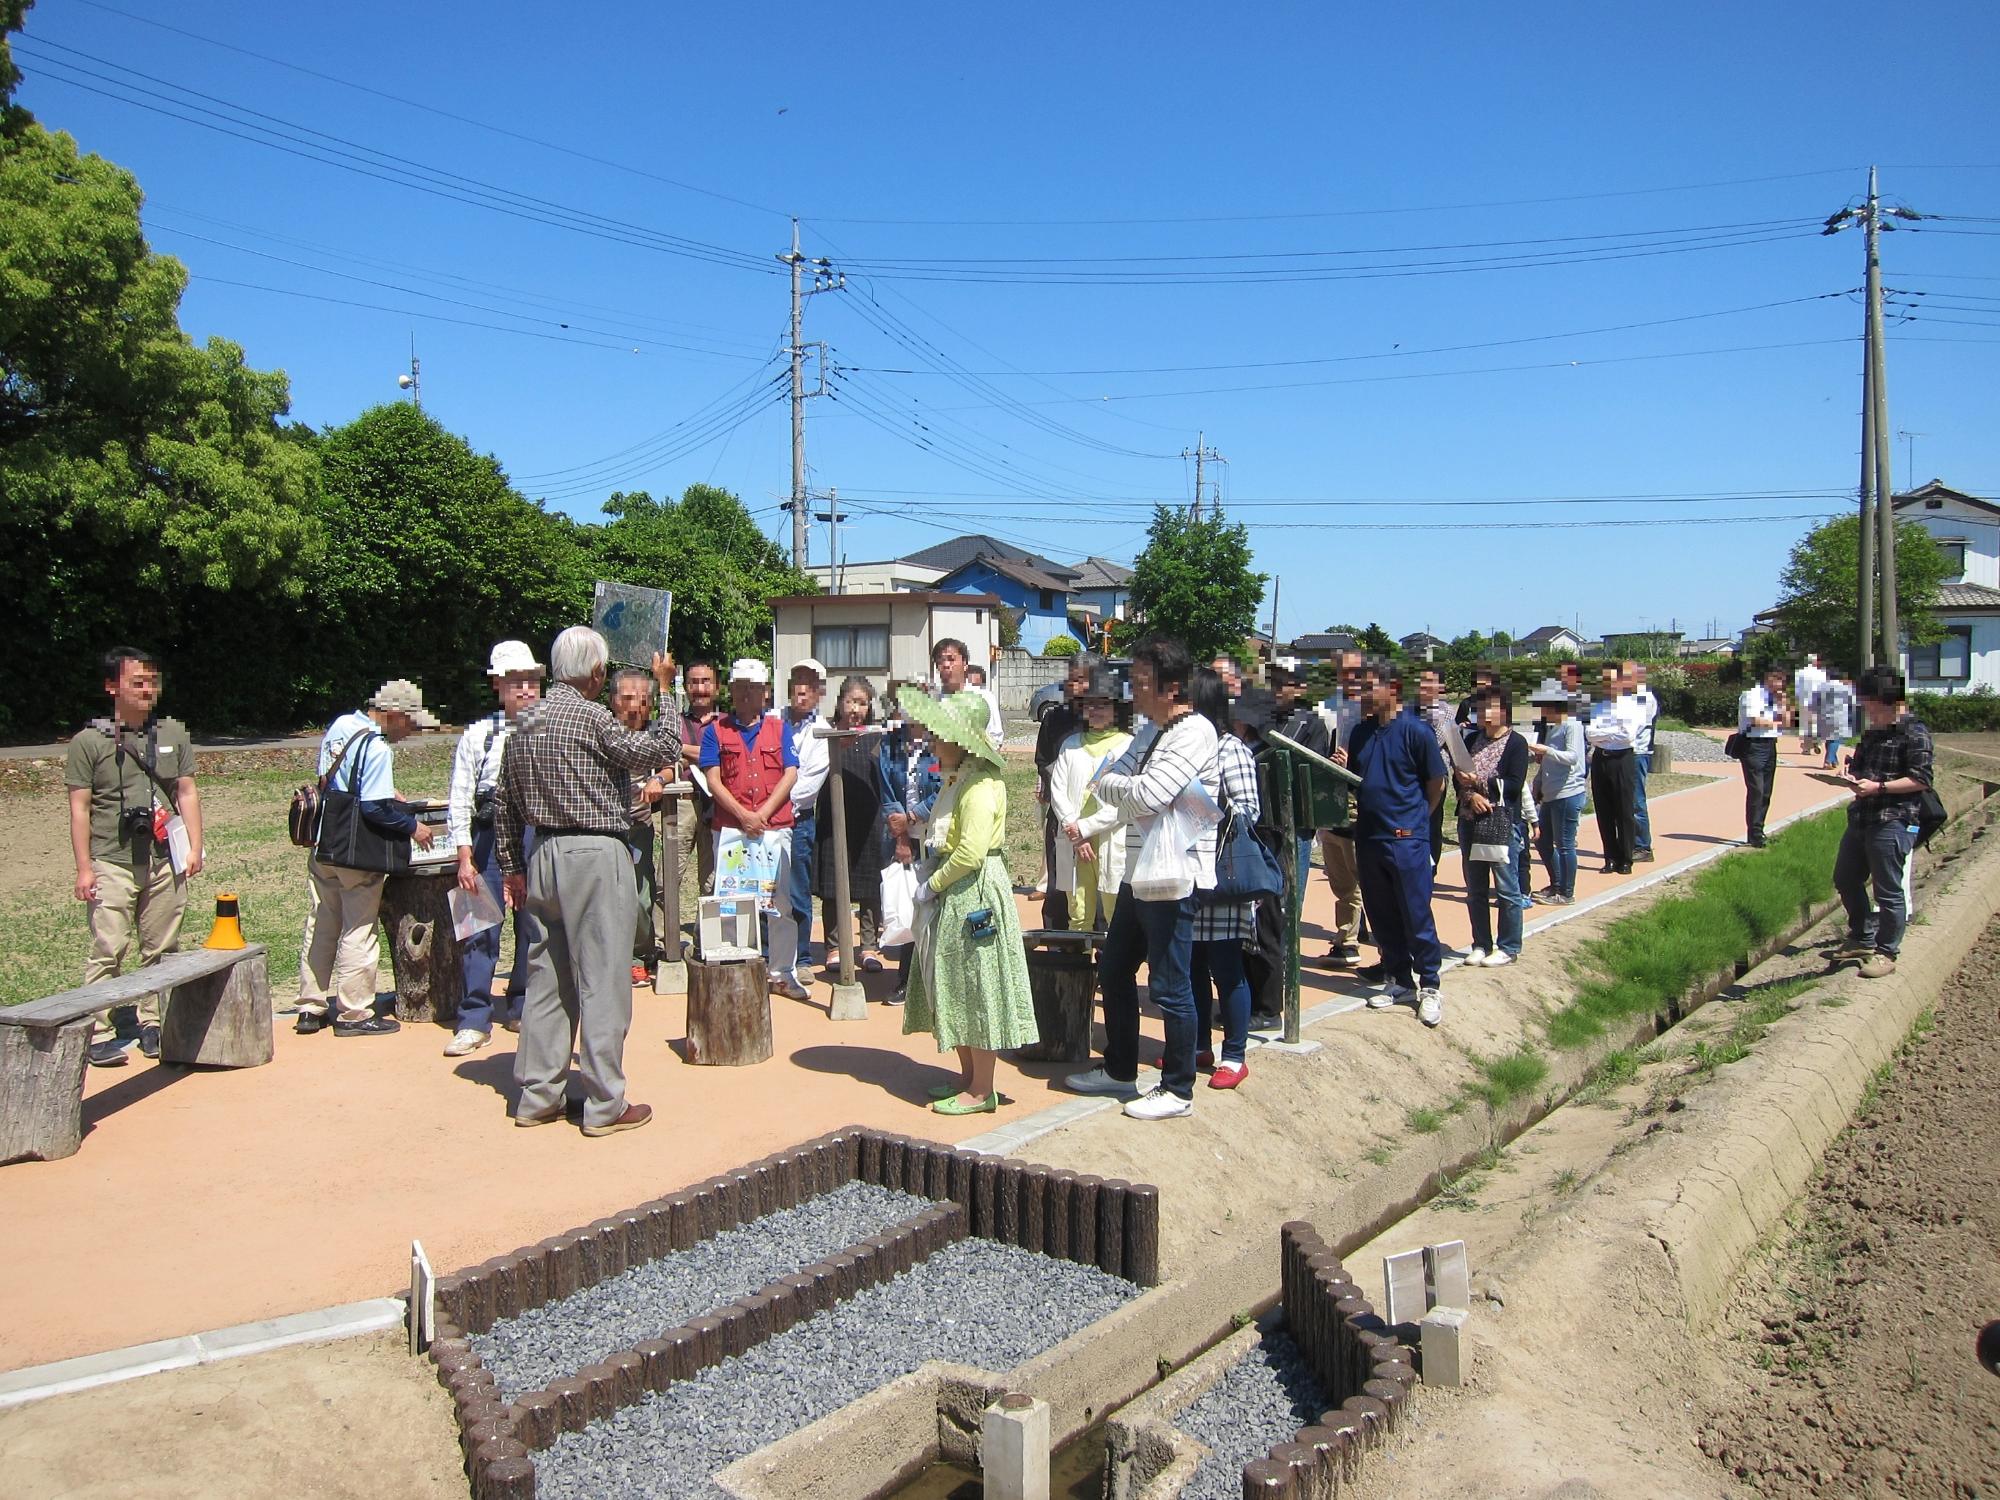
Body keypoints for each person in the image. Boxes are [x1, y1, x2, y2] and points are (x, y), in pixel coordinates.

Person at [497, 629, 677, 1137]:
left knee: (547, 980)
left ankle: (538, 1095)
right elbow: (659, 749)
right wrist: (665, 688)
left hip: (544, 855)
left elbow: (503, 799)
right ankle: (604, 1102)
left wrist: (512, 864)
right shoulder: (594, 716)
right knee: (603, 979)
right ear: (596, 673)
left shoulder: (526, 721)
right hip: (595, 851)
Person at [1067, 634, 1222, 1120]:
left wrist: (1113, 784)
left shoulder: (1194, 733)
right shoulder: (1148, 731)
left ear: (1172, 688)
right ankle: (1119, 1069)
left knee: (1170, 985)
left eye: (1141, 683)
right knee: (1113, 970)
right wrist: (1100, 809)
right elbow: (1123, 789)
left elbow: (1144, 796)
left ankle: (1178, 1088)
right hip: (1140, 872)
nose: (1132, 693)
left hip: (1174, 875)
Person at [897, 691, 1038, 1114]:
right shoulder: (957, 778)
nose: (933, 741)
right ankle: (968, 1080)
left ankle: (982, 1089)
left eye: (941, 734)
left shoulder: (980, 784)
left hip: (972, 890)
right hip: (952, 891)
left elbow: (970, 851)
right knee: (953, 982)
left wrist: (933, 884)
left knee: (977, 986)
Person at [66, 647, 205, 1067]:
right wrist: (85, 868)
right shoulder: (88, 742)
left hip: (164, 858)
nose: (147, 690)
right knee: (109, 946)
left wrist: (194, 847)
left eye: (152, 681)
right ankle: (98, 1030)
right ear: (112, 687)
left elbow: (186, 792)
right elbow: (80, 808)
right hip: (112, 858)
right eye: (137, 682)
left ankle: (153, 1024)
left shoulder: (172, 733)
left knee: (162, 948)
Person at [296, 680, 439, 1037]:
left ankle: (310, 1007)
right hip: (356, 853)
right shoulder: (377, 748)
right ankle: (354, 1011)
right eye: (409, 722)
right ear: (393, 713)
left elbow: (340, 781)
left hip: (324, 842)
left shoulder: (342, 726)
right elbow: (375, 809)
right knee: (359, 927)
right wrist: (413, 827)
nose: (409, 731)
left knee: (322, 922)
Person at [441, 641, 543, 1058]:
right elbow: (460, 795)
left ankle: (522, 1003)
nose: (526, 690)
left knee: (534, 924)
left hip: (535, 834)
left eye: (532, 681)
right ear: (498, 685)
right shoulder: (479, 735)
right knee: (478, 928)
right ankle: (474, 1018)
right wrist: (464, 854)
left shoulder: (550, 731)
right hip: (486, 838)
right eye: (516, 682)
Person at [1340, 658, 1448, 1026]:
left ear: (1393, 689)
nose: (1364, 694)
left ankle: (1430, 984)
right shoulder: (1360, 733)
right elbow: (1357, 780)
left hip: (1406, 838)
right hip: (1369, 836)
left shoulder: (1416, 732)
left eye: (1371, 686)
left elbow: (1437, 783)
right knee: (1382, 914)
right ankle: (1398, 979)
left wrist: (1418, 819)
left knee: (1416, 913)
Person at [698, 659, 801, 986]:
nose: (745, 693)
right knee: (731, 899)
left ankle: (782, 972)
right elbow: (713, 779)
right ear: (731, 690)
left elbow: (790, 773)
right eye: (740, 686)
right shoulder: (715, 730)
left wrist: (763, 814)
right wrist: (744, 816)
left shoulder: (780, 728)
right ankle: (735, 967)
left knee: (780, 901)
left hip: (775, 829)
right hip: (731, 830)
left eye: (752, 687)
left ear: (764, 692)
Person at [1833, 667, 1933, 980]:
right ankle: (1862, 937)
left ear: (1885, 700)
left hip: (1893, 820)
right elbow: (1862, 766)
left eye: (1868, 701)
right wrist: (1851, 778)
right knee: (1845, 878)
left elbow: (1921, 779)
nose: (1864, 707)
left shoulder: (1914, 732)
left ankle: (1887, 951)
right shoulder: (1874, 732)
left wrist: (1880, 787)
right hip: (1862, 816)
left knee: (1887, 891)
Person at [1189, 668, 1261, 1089]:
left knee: (1226, 966)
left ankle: (1234, 1054)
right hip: (1188, 871)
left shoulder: (1231, 749)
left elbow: (1250, 810)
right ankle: (1198, 1044)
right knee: (1192, 965)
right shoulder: (1184, 748)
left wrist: (1200, 807)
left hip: (1223, 874)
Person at [1049, 660, 1135, 934]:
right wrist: (1075, 832)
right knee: (1078, 912)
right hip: (1075, 841)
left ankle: (1113, 974)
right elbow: (1058, 791)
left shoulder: (1128, 746)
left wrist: (1085, 828)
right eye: (1090, 705)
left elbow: (1124, 801)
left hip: (1111, 837)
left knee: (1115, 912)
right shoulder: (1071, 745)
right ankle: (1080, 974)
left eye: (1103, 704)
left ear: (1117, 707)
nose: (1095, 711)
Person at [610, 667, 678, 986]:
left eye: (642, 698)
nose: (635, 704)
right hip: (604, 831)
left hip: (639, 828)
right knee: (605, 897)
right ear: (612, 701)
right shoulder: (603, 731)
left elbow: (669, 763)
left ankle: (639, 955)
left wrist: (657, 779)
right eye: (627, 698)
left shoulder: (653, 733)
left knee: (641, 897)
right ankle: (609, 959)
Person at [877, 685, 942, 1004]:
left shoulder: (942, 740)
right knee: (911, 906)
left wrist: (914, 816)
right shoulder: (889, 745)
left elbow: (945, 786)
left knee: (938, 906)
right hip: (905, 837)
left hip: (938, 835)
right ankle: (907, 979)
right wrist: (901, 836)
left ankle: (939, 979)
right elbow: (888, 794)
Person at [816, 675, 886, 971]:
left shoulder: (877, 737)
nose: (855, 709)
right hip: (833, 818)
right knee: (833, 883)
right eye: (850, 701)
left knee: (870, 883)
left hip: (870, 818)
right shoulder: (827, 735)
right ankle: (834, 947)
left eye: (862, 703)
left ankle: (868, 946)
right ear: (840, 703)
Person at [1456, 686, 1530, 967]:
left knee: (1507, 887)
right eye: (1481, 708)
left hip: (1500, 821)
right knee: (1474, 888)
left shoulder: (1516, 743)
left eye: (1491, 708)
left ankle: (1509, 946)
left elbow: (1513, 784)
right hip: (1468, 819)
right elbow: (1458, 778)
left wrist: (1478, 786)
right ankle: (1480, 942)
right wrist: (1470, 795)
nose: (1484, 714)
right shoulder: (1472, 738)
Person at [778, 659, 830, 997]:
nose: (802, 689)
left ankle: (802, 958)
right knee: (766, 889)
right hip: (762, 820)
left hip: (798, 819)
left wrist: (775, 805)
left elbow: (808, 783)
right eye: (797, 681)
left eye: (810, 684)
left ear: (820, 693)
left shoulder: (822, 731)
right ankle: (769, 955)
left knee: (797, 890)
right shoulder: (771, 720)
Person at [1315, 650, 1369, 969]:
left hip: (1359, 802)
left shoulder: (1371, 708)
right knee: (1340, 880)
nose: (1347, 677)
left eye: (1352, 672)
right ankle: (1345, 939)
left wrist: (1353, 763)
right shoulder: (1330, 705)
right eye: (1342, 672)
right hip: (1332, 800)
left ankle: (1360, 940)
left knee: (1360, 877)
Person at [1034, 654, 1093, 929]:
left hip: (1097, 815)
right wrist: (1060, 781)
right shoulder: (1054, 718)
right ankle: (1058, 945)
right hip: (1061, 814)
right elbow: (1043, 760)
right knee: (1059, 883)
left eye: (1081, 679)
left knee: (1097, 884)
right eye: (1071, 680)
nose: (1075, 686)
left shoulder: (1110, 719)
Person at [1526, 678, 1587, 904]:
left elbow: (1572, 757)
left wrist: (1547, 750)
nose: (1541, 711)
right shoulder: (1553, 727)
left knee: (1564, 845)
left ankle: (1566, 892)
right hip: (1550, 793)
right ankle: (1556, 883)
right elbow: (1547, 761)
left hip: (1568, 793)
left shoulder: (1572, 724)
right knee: (1542, 840)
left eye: (1543, 705)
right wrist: (1539, 782)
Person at [1584, 667, 1642, 874]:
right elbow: (1590, 734)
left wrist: (1604, 734)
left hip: (1622, 758)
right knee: (1604, 810)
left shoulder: (1632, 706)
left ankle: (1626, 858)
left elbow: (1627, 736)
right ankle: (1610, 856)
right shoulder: (1599, 706)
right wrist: (1610, 733)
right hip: (1601, 758)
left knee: (1624, 810)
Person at [675, 658, 723, 902]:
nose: (700, 688)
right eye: (694, 682)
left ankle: (704, 937)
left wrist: (683, 749)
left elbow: (724, 755)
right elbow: (663, 752)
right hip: (680, 803)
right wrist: (708, 753)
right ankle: (665, 938)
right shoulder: (674, 722)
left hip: (715, 804)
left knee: (711, 881)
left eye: (706, 681)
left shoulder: (727, 724)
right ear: (686, 688)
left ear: (716, 687)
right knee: (668, 879)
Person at [1737, 666, 1790, 847]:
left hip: (1770, 745)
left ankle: (1759, 829)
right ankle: (1754, 834)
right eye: (1778, 680)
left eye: (1783, 681)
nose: (1781, 685)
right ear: (1769, 679)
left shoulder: (1776, 699)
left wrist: (1783, 703)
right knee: (1756, 790)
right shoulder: (1752, 695)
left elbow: (1789, 721)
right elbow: (1755, 720)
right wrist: (1777, 722)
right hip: (1753, 745)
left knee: (1766, 791)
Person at [1414, 667, 1454, 869]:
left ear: (1441, 687)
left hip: (1434, 775)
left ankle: (1431, 867)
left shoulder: (1445, 711)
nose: (1424, 687)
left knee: (1431, 822)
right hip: (1412, 775)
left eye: (1430, 683)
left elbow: (1433, 741)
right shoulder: (1411, 709)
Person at [933, 637, 1004, 748]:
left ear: (965, 663)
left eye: (951, 659)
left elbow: (996, 739)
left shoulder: (983, 698)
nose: (946, 665)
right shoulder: (932, 702)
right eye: (940, 660)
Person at [1627, 662, 1661, 864]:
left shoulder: (1645, 699)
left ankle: (1642, 846)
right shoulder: (1624, 698)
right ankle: (1629, 842)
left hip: (1637, 753)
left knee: (1636, 800)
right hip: (1624, 752)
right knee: (1624, 801)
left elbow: (1633, 728)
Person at [1816, 669, 1856, 769]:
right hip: (1839, 716)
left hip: (1824, 716)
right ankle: (1828, 760)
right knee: (1836, 739)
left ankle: (1834, 760)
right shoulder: (1845, 688)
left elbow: (1816, 701)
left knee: (1829, 739)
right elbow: (1853, 701)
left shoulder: (1822, 687)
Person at [1794, 653, 1827, 757]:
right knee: (1817, 723)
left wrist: (1798, 698)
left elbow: (1797, 689)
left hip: (1804, 701)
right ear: (1815, 662)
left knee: (1805, 725)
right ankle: (1817, 741)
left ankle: (1806, 748)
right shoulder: (1822, 674)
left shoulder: (1800, 673)